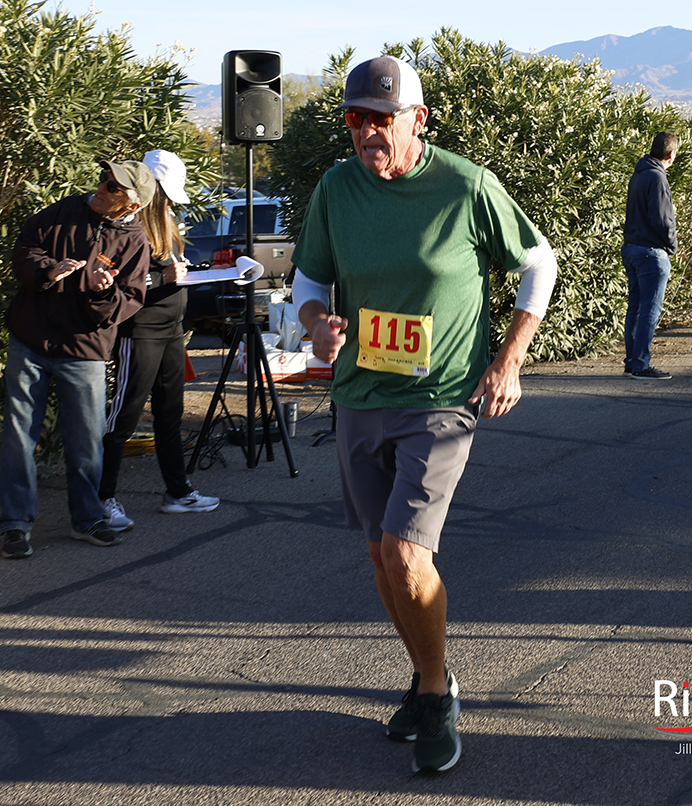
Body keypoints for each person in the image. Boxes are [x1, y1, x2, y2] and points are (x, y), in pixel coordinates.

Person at [291, 55, 557, 773]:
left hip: (440, 399)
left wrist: (509, 359)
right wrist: (315, 324)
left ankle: (436, 694)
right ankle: (423, 672)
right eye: (355, 119)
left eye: (382, 119)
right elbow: (309, 281)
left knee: (408, 555)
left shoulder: (465, 185)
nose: (367, 133)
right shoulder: (336, 187)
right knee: (380, 554)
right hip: (358, 397)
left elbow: (539, 261)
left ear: (418, 120)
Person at [0, 160, 155, 559]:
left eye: (114, 187)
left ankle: (87, 520)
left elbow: (130, 302)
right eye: (105, 179)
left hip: (84, 352)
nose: (102, 187)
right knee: (18, 436)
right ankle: (15, 524)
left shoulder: (135, 242)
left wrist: (101, 292)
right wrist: (51, 271)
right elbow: (24, 249)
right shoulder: (63, 211)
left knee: (85, 441)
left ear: (131, 206)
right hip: (30, 341)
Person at [99, 151, 219, 531]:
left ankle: (178, 491)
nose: (168, 201)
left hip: (171, 329)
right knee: (124, 415)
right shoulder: (126, 225)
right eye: (165, 194)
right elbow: (119, 287)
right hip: (141, 332)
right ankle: (102, 497)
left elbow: (167, 273)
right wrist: (164, 278)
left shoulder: (166, 222)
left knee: (170, 413)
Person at [621, 131, 679, 380]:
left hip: (632, 248)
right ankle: (641, 364)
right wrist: (673, 245)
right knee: (649, 310)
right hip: (651, 253)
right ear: (671, 154)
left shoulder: (639, 174)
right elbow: (662, 218)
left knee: (635, 308)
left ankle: (632, 361)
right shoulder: (657, 178)